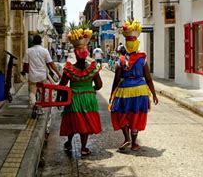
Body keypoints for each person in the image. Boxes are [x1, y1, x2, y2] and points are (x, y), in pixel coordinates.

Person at [110, 20, 159, 151]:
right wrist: (154, 94)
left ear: (126, 45)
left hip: (124, 90)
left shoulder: (120, 60)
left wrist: (111, 94)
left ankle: (126, 138)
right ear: (137, 44)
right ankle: (134, 143)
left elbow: (116, 79)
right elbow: (148, 78)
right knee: (136, 115)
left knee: (121, 113)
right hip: (140, 90)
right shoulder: (143, 59)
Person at [59, 26, 102, 156]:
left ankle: (69, 142)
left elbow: (62, 85)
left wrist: (58, 99)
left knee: (73, 120)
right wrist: (90, 89)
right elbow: (99, 85)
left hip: (74, 97)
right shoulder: (93, 69)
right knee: (86, 121)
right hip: (89, 97)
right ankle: (84, 147)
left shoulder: (69, 69)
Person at [22, 35, 61, 108]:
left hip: (32, 76)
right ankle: (40, 105)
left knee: (32, 92)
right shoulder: (45, 51)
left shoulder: (28, 51)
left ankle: (33, 104)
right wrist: (58, 74)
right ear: (41, 42)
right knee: (42, 90)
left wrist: (24, 72)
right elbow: (51, 63)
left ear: (33, 42)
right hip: (42, 76)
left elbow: (26, 65)